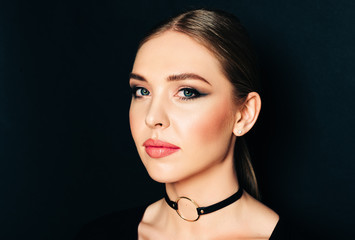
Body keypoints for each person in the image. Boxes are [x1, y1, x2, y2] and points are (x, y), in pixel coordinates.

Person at [76, 9, 289, 240]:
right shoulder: (97, 234)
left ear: (244, 114)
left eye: (187, 92)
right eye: (142, 91)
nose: (152, 117)